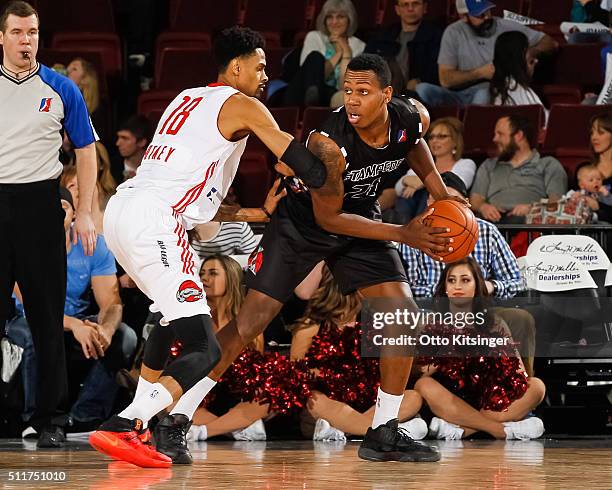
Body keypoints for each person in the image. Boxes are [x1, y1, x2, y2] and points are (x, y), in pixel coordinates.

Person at [181, 53, 469, 464]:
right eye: (348, 91)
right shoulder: (328, 143)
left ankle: (383, 431)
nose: (352, 100)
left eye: (363, 93)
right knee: (249, 323)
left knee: (402, 314)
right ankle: (178, 416)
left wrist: (441, 194)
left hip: (361, 218)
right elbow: (328, 217)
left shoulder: (411, 118)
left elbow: (415, 145)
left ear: (387, 96)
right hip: (302, 224)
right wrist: (404, 233)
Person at [88, 26, 328, 468]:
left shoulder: (187, 98)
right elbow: (289, 154)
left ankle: (143, 430)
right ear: (235, 67)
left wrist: (254, 215)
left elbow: (191, 191)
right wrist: (326, 171)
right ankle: (128, 421)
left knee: (165, 318)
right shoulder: (244, 104)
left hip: (124, 210)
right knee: (206, 348)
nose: (265, 75)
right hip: (157, 220)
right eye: (259, 67)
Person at [0, 0, 97, 448]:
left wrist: (88, 211)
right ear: (1, 37)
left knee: (45, 318)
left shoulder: (60, 88)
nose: (26, 40)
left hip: (40, 205)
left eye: (33, 32)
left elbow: (86, 149)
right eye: (18, 32)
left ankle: (52, 419)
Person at [6, 187, 137, 432]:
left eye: (63, 207)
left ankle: (84, 419)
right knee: (37, 334)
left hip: (77, 322)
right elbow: (31, 305)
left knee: (124, 336)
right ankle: (36, 420)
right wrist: (75, 325)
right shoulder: (23, 245)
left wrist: (105, 330)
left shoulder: (93, 245)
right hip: (27, 319)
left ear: (74, 214)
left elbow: (111, 302)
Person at [401, 171, 535, 376]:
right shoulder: (413, 236)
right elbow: (405, 290)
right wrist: (446, 292)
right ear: (428, 202)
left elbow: (517, 282)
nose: (442, 205)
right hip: (432, 314)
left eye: (449, 199)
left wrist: (490, 286)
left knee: (521, 319)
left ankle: (521, 390)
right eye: (434, 198)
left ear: (464, 202)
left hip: (481, 312)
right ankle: (419, 390)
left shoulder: (487, 232)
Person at [414, 257, 546, 440]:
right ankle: (503, 429)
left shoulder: (495, 323)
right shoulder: (430, 323)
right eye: (451, 280)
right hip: (450, 400)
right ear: (445, 287)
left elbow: (520, 374)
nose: (457, 286)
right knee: (424, 386)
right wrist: (443, 358)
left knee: (537, 386)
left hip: (489, 400)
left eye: (465, 280)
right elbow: (417, 377)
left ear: (477, 286)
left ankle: (463, 431)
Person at [289, 266, 427, 441]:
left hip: (371, 402)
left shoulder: (378, 321)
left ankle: (347, 431)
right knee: (315, 400)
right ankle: (388, 433)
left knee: (413, 397)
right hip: (331, 402)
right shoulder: (311, 325)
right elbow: (294, 372)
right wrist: (323, 375)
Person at [183, 255, 270, 445]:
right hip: (204, 395)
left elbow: (257, 369)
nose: (204, 279)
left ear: (231, 278)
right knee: (172, 401)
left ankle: (203, 432)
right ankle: (236, 429)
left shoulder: (248, 323)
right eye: (202, 274)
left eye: (213, 273)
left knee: (266, 397)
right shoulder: (195, 317)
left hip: (238, 397)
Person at [415, 0, 557, 107]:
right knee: (422, 89)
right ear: (464, 17)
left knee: (483, 94)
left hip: (489, 90)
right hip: (456, 94)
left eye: (488, 11)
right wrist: (480, 73)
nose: (487, 17)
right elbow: (445, 80)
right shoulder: (453, 32)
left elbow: (550, 43)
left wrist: (529, 52)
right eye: (480, 15)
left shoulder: (504, 26)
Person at [470, 115, 567, 224]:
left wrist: (533, 208)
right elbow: (475, 198)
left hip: (529, 224)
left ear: (519, 136)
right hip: (493, 223)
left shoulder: (547, 164)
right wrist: (483, 207)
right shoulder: (489, 165)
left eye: (500, 134)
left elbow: (557, 202)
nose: (495, 139)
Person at [283, 0, 366, 107]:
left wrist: (346, 52)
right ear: (324, 20)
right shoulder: (314, 37)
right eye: (329, 17)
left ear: (349, 20)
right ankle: (312, 101)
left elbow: (344, 86)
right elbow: (309, 76)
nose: (334, 22)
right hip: (301, 91)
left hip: (331, 95)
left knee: (341, 95)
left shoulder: (358, 46)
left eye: (340, 17)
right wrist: (338, 54)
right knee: (315, 57)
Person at [394, 117, 475, 222]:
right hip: (412, 211)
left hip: (448, 214)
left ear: (455, 141)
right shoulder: (423, 163)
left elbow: (455, 183)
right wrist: (406, 181)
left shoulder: (466, 163)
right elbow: (398, 188)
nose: (434, 141)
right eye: (431, 137)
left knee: (431, 194)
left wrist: (421, 182)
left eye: (441, 136)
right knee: (405, 195)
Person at [365, 0, 443, 94]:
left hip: (413, 93)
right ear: (397, 10)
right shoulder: (382, 36)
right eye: (405, 5)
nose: (410, 9)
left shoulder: (437, 36)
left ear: (425, 8)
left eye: (415, 4)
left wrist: (420, 80)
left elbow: (439, 69)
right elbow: (365, 63)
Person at [489, 31, 547, 117]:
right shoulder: (515, 89)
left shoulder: (505, 86)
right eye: (531, 61)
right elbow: (541, 123)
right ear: (517, 60)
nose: (536, 61)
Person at [116, 115, 152, 182]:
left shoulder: (154, 170)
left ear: (141, 142)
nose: (118, 143)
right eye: (119, 137)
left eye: (125, 138)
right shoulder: (111, 168)